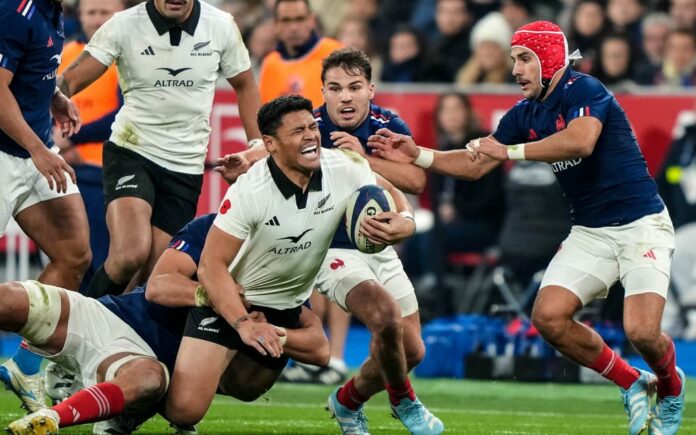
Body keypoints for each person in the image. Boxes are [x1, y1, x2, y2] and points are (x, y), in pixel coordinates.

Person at [370, 21, 686, 435]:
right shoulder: (524, 113)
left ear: (550, 59)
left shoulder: (585, 89)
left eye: (524, 59)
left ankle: (671, 387)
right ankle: (632, 383)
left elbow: (580, 141)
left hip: (642, 226)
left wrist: (510, 151)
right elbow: (476, 163)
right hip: (592, 231)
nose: (515, 69)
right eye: (513, 59)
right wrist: (419, 154)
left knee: (643, 332)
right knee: (549, 318)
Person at [216, 49, 443, 435]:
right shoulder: (311, 127)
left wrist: (369, 168)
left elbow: (416, 181)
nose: (345, 97)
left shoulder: (389, 126)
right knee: (384, 317)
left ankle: (347, 402)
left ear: (371, 90)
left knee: (411, 350)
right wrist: (246, 158)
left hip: (379, 246)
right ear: (323, 92)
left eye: (355, 87)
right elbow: (266, 147)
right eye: (335, 88)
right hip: (329, 250)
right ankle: (404, 399)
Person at [163, 95, 419, 430]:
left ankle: (202, 371)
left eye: (313, 127)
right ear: (270, 143)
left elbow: (392, 190)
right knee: (185, 411)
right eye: (298, 131)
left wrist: (406, 221)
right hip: (231, 303)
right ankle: (152, 381)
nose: (312, 136)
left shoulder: (343, 166)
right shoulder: (249, 191)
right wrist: (243, 323)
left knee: (250, 386)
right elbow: (212, 266)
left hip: (284, 306)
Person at [5, 215, 331, 434]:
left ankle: (58, 417)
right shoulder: (214, 228)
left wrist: (270, 332)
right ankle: (96, 400)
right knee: (16, 299)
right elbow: (159, 287)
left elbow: (319, 347)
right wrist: (221, 298)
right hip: (107, 316)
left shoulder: (281, 268)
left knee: (148, 380)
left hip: (147, 362)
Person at [57, 0, 262, 298]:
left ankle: (119, 337)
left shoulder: (221, 25)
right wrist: (46, 106)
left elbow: (245, 85)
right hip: (131, 152)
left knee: (152, 275)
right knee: (129, 254)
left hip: (185, 166)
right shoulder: (124, 24)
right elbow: (69, 80)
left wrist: (256, 147)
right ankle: (83, 327)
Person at [0, 0, 91, 413]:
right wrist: (38, 150)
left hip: (34, 149)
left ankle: (25, 363)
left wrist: (51, 93)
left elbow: (24, 67)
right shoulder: (13, 10)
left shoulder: (52, 12)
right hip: (8, 155)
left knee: (74, 255)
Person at [53, 0, 125, 294]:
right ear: (80, 16)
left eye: (105, 13)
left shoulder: (125, 56)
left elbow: (125, 113)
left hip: (103, 170)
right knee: (68, 258)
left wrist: (73, 137)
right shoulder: (66, 53)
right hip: (64, 171)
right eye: (92, 13)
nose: (98, 20)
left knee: (103, 258)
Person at [258, 0, 342, 108]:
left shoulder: (335, 53)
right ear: (276, 25)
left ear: (312, 20)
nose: (294, 28)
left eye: (300, 19)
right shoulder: (269, 64)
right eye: (286, 20)